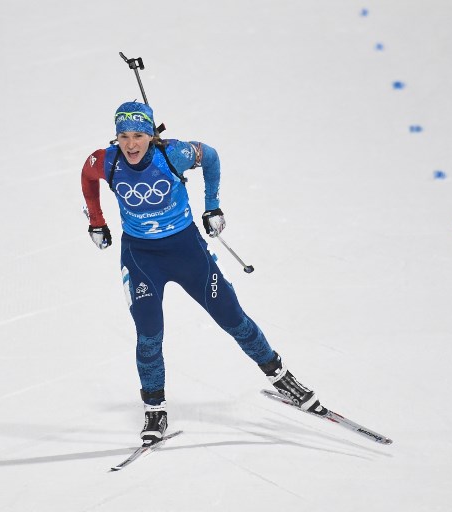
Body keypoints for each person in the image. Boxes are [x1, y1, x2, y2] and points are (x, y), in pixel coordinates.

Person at [80, 101, 326, 445]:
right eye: (123, 136)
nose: (131, 144)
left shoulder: (174, 155)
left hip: (187, 252)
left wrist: (213, 205)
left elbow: (209, 156)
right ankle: (154, 408)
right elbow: (87, 176)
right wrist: (96, 221)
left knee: (233, 318)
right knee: (149, 335)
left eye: (138, 135)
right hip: (140, 258)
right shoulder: (107, 160)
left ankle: (280, 376)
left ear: (151, 135)